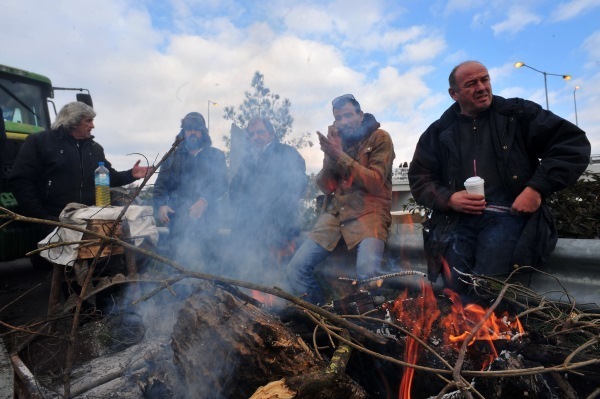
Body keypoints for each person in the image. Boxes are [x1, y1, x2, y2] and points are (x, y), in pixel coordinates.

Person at [408, 61, 591, 295]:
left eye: (485, 79)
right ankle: (464, 329)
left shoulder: (517, 114)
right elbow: (420, 177)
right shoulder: (438, 131)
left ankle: (487, 329)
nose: (482, 87)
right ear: (454, 94)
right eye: (471, 83)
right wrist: (449, 198)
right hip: (456, 223)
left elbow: (572, 145)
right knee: (454, 290)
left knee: (487, 288)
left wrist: (536, 188)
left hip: (509, 219)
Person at [286, 94, 395, 305]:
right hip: (335, 214)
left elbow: (375, 182)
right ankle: (321, 314)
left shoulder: (380, 138)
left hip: (369, 212)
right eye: (338, 118)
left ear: (360, 115)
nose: (343, 122)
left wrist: (339, 155)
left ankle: (370, 324)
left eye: (348, 115)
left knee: (368, 275)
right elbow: (326, 186)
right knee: (295, 269)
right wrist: (330, 154)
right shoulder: (338, 144)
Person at [9, 101, 153, 221]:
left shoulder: (95, 149)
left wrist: (131, 175)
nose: (92, 126)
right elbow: (21, 180)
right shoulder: (40, 141)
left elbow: (108, 177)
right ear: (73, 121)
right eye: (88, 121)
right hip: (50, 219)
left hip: (86, 218)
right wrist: (39, 216)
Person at [228, 116, 307, 282]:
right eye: (252, 134)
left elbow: (298, 186)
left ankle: (281, 305)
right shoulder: (248, 160)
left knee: (277, 277)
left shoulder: (287, 153)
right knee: (251, 273)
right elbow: (234, 190)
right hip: (251, 227)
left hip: (279, 227)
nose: (256, 137)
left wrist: (286, 228)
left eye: (260, 132)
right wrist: (245, 211)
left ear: (271, 134)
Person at [153, 112, 228, 268]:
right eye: (188, 129)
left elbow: (221, 183)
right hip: (178, 222)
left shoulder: (216, 155)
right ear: (183, 132)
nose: (192, 132)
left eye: (196, 129)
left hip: (209, 222)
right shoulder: (171, 157)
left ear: (203, 132)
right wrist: (161, 205)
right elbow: (160, 186)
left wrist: (204, 200)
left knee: (208, 267)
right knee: (178, 266)